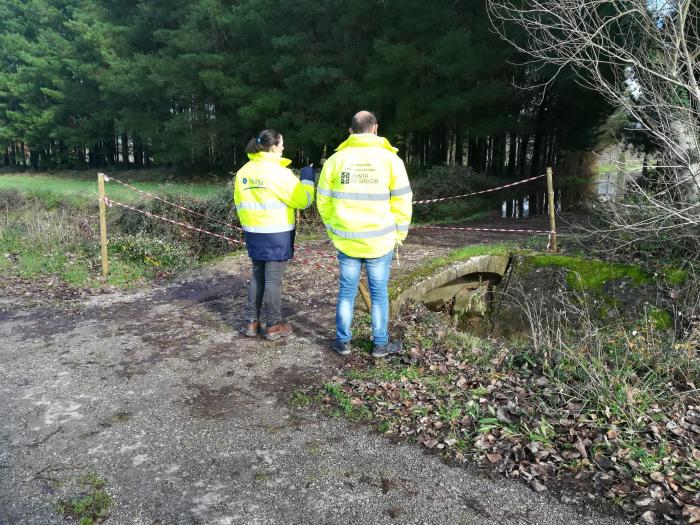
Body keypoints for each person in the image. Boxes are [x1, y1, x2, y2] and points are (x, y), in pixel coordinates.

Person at [317, 111, 412, 357]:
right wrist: (399, 234)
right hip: (380, 242)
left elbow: (323, 201)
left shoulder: (335, 161)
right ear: (375, 129)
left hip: (347, 240)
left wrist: (333, 228)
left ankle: (342, 342)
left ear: (350, 132)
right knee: (379, 294)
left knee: (346, 293)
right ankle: (380, 344)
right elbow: (403, 201)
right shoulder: (391, 160)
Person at [234, 129, 315, 340]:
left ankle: (251, 323)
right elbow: (303, 201)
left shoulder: (243, 172)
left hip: (253, 232)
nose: (284, 148)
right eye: (282, 145)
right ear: (274, 147)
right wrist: (307, 179)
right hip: (277, 233)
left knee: (257, 275)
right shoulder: (279, 173)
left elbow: (239, 203)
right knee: (273, 280)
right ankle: (273, 325)